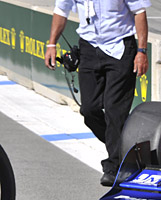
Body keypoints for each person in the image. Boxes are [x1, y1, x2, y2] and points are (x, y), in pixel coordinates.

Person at [44, 0, 150, 186]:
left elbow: (139, 12)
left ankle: (113, 167)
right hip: (89, 49)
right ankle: (124, 149)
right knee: (89, 110)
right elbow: (61, 10)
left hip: (120, 48)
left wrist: (141, 51)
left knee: (114, 111)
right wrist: (51, 44)